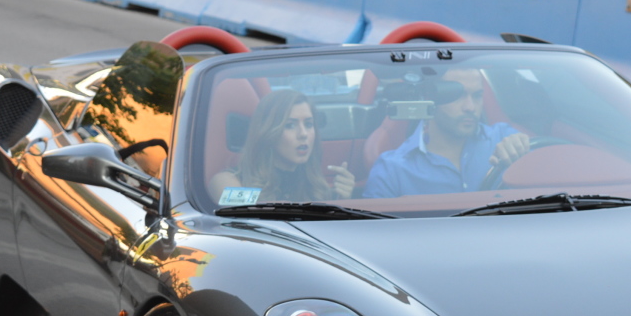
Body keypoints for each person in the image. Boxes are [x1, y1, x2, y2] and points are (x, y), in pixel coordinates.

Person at [362, 68, 531, 198]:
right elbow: (373, 233)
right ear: (430, 97)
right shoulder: (392, 169)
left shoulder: (505, 137)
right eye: (458, 95)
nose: (470, 107)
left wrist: (524, 149)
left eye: (477, 95)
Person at [207, 89, 354, 204]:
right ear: (268, 132)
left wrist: (341, 200)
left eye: (309, 124)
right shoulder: (229, 182)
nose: (303, 134)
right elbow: (249, 226)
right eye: (289, 125)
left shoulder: (315, 185)